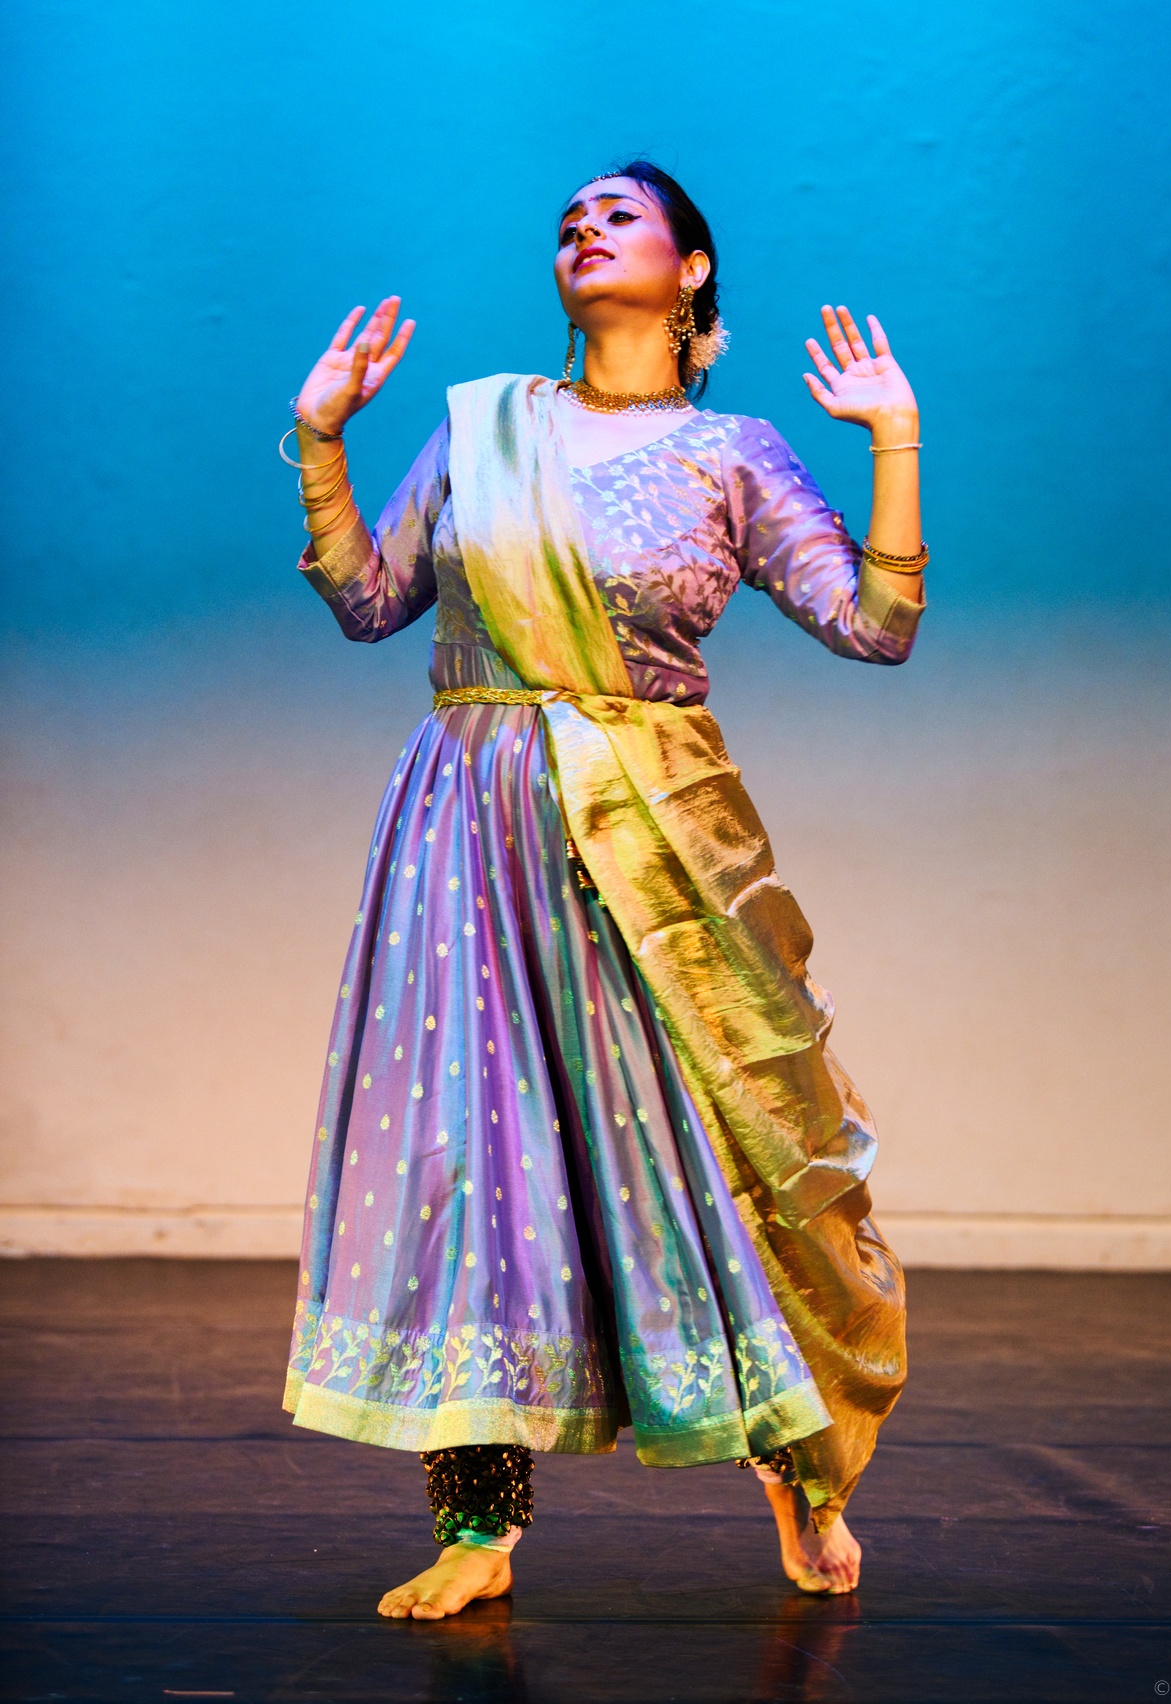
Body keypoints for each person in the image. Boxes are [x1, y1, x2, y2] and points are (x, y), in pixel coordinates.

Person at [282, 162, 927, 1620]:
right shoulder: (482, 424)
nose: (585, 228)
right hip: (468, 826)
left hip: (654, 842)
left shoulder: (733, 451)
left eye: (621, 214)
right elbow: (371, 602)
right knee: (469, 1157)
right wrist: (322, 440)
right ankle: (477, 1525)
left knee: (711, 1138)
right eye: (570, 218)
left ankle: (801, 1461)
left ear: (691, 269)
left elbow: (875, 626)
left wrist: (894, 440)